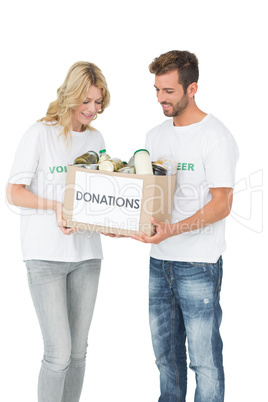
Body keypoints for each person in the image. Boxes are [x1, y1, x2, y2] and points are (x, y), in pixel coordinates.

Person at [132, 51, 239, 402]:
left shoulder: (215, 136)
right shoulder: (153, 136)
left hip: (199, 264)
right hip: (159, 262)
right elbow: (147, 198)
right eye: (157, 90)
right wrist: (121, 225)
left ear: (192, 88)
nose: (161, 98)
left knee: (204, 363)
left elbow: (222, 204)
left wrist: (173, 231)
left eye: (169, 91)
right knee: (166, 360)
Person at [6, 61, 110, 402]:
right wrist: (55, 206)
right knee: (58, 352)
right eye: (87, 101)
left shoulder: (96, 139)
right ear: (70, 96)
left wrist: (112, 221)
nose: (93, 109)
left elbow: (100, 193)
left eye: (99, 102)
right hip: (44, 257)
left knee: (78, 352)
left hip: (87, 256)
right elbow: (13, 191)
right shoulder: (39, 133)